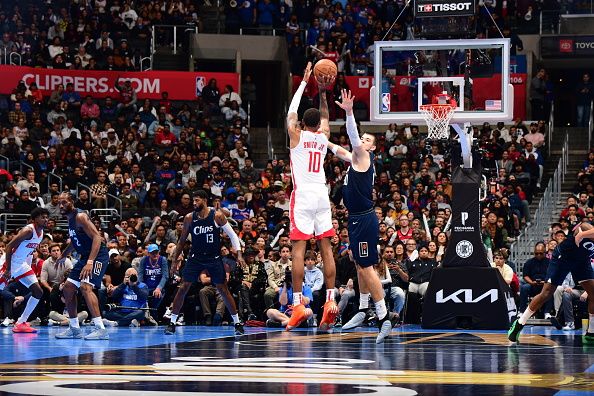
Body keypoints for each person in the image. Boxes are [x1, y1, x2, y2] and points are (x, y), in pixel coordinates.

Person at [332, 89, 396, 343]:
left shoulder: (364, 156)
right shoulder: (354, 160)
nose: (362, 141)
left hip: (365, 217)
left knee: (367, 267)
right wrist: (317, 139)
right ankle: (361, 308)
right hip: (357, 218)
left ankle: (383, 317)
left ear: (371, 146)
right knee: (359, 264)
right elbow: (339, 149)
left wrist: (349, 112)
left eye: (366, 139)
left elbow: (351, 137)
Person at [285, 62, 339, 331]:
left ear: (302, 124)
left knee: (298, 249)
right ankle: (330, 300)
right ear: (318, 124)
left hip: (304, 195)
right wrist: (324, 92)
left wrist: (305, 82)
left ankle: (297, 305)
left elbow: (291, 113)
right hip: (322, 193)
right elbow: (326, 119)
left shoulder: (296, 136)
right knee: (326, 247)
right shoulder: (323, 137)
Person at [165, 190, 245, 335]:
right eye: (193, 201)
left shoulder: (217, 216)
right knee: (183, 287)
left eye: (197, 200)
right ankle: (172, 322)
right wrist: (174, 261)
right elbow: (182, 241)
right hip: (195, 257)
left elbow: (233, 235)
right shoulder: (189, 218)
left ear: (205, 200)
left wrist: (239, 254)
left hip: (213, 258)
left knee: (223, 289)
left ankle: (237, 322)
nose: (194, 203)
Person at [508, 222, 594, 345]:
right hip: (563, 257)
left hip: (581, 261)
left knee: (593, 293)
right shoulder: (586, 227)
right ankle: (519, 323)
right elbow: (586, 229)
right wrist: (582, 235)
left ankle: (591, 332)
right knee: (546, 293)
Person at [55, 192, 111, 340]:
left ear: (72, 202)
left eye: (65, 202)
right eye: (59, 202)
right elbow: (75, 240)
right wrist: (63, 255)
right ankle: (74, 328)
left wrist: (90, 262)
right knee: (68, 288)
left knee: (86, 287)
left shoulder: (80, 217)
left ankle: (101, 329)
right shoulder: (70, 219)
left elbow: (97, 238)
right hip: (85, 257)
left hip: (98, 255)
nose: (61, 205)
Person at [0, 207, 49, 333]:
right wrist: (8, 270)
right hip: (8, 263)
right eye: (42, 217)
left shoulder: (41, 233)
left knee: (38, 291)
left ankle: (21, 322)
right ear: (35, 219)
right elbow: (9, 247)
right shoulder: (28, 230)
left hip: (21, 265)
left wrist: (25, 269)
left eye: (46, 217)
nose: (46, 219)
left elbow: (28, 252)